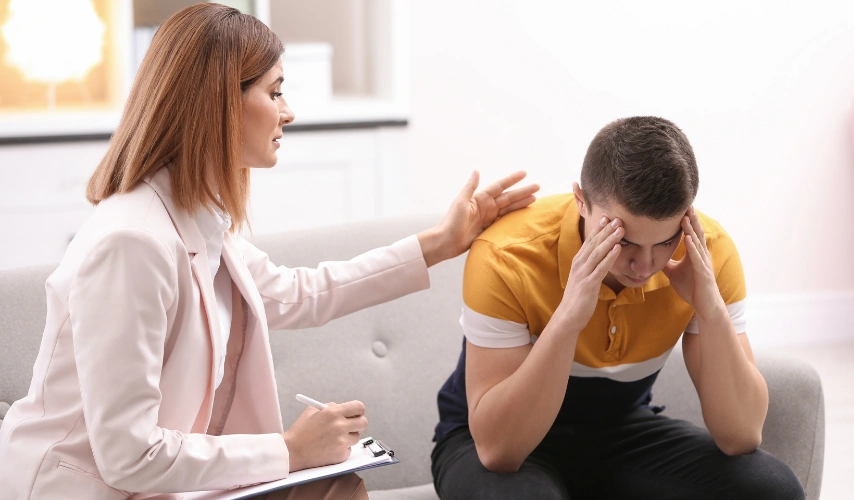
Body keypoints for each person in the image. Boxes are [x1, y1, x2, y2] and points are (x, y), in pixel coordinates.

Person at [0, 4, 538, 500]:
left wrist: (441, 243)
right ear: (220, 103)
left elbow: (299, 292)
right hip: (84, 490)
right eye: (276, 91)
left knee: (339, 488)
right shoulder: (132, 243)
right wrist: (291, 450)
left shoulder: (192, 219)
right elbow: (127, 454)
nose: (289, 112)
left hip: (153, 484)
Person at [430, 116, 807, 499]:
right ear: (581, 200)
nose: (645, 266)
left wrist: (710, 311)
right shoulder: (506, 255)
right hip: (488, 443)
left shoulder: (707, 254)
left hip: (619, 429)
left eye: (664, 241)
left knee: (772, 490)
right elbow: (499, 451)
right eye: (622, 240)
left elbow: (741, 436)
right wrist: (566, 321)